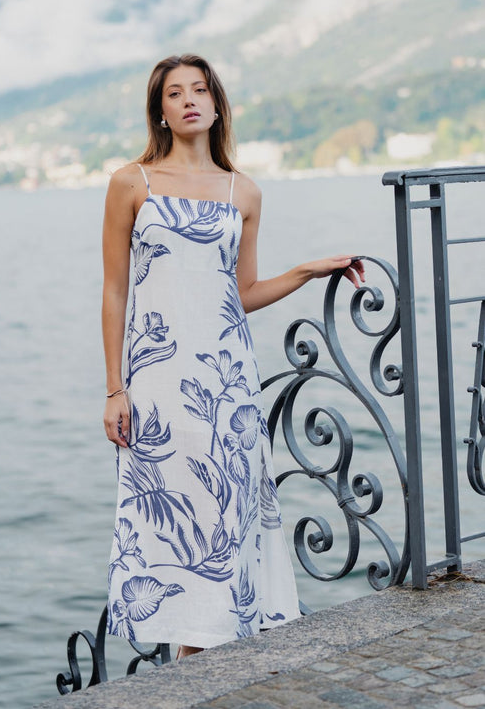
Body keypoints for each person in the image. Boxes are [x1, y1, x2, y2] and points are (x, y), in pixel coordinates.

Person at [102, 53, 364, 660]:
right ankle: (191, 672)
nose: (189, 99)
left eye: (199, 89)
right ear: (160, 111)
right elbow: (116, 290)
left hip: (227, 383)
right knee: (177, 522)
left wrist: (305, 270)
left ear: (216, 104)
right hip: (160, 387)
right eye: (175, 92)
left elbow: (240, 295)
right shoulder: (130, 183)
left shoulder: (243, 191)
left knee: (225, 520)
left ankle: (204, 677)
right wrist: (115, 388)